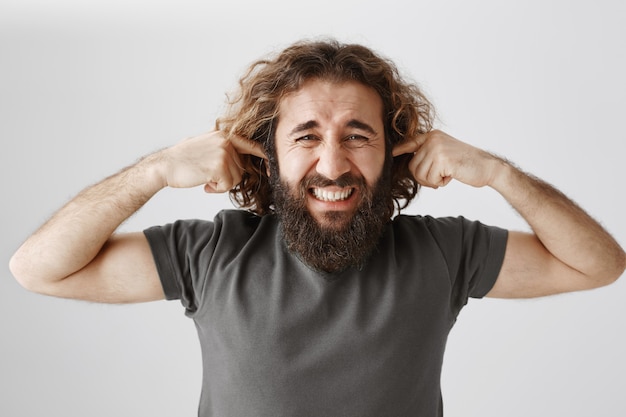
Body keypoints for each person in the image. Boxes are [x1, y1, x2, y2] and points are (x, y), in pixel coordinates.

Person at [9, 39, 625, 417]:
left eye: (359, 136)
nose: (333, 164)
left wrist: (497, 173)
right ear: (267, 155)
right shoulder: (211, 251)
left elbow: (600, 263)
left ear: (396, 153)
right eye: (306, 137)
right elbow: (37, 269)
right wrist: (153, 172)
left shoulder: (443, 250)